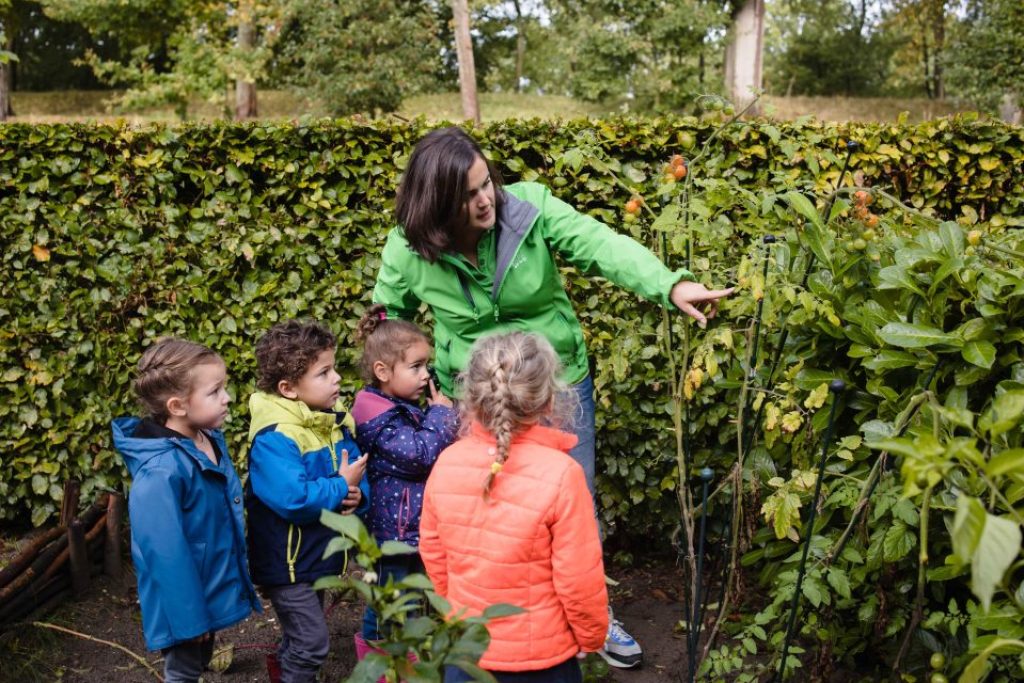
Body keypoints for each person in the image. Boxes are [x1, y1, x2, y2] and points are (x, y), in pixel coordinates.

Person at [373, 126, 733, 668]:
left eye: (486, 182)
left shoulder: (529, 210)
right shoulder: (408, 245)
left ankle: (592, 616)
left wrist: (669, 284)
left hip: (550, 387)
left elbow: (602, 246)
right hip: (469, 396)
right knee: (478, 505)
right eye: (469, 194)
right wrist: (414, 395)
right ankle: (475, 624)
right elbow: (387, 325)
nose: (487, 198)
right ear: (438, 205)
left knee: (570, 502)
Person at [420, 331, 608, 682]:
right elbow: (578, 578)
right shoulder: (563, 475)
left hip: (466, 653)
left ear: (472, 398)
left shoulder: (447, 463)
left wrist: (456, 614)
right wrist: (591, 637)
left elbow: (434, 555)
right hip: (543, 661)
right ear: (549, 401)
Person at [111, 338, 261, 683]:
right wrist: (189, 620)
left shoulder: (206, 439)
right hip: (184, 605)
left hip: (207, 590)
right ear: (178, 406)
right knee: (183, 671)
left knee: (197, 663)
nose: (227, 398)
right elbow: (164, 553)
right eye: (215, 391)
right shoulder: (161, 471)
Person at [245, 319, 370, 683]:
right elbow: (294, 500)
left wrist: (355, 495)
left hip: (312, 559)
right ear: (288, 389)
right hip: (287, 565)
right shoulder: (275, 439)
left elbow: (353, 477)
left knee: (303, 636)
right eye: (324, 372)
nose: (337, 379)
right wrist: (339, 486)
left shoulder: (331, 422)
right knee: (312, 643)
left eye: (334, 369)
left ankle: (284, 668)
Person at [350, 303, 459, 658]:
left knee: (409, 596)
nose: (426, 375)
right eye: (415, 367)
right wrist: (442, 414)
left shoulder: (396, 407)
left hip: (409, 526)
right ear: (382, 371)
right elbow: (419, 455)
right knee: (387, 602)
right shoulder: (376, 416)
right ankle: (378, 662)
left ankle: (408, 657)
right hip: (390, 532)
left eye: (426, 365)